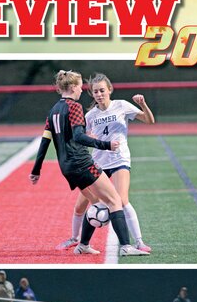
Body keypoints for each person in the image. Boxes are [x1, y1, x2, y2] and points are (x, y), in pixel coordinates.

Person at [30, 69, 145, 256]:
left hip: (66, 167)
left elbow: (45, 141)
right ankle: (126, 246)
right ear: (73, 87)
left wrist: (36, 169)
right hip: (81, 163)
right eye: (81, 86)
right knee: (115, 200)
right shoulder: (74, 107)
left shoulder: (53, 111)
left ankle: (82, 244)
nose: (83, 90)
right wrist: (105, 144)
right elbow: (78, 136)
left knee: (96, 203)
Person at [57, 73, 154, 253]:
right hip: (98, 163)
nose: (99, 94)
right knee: (81, 205)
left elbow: (149, 120)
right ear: (92, 94)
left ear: (109, 90)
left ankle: (138, 242)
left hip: (119, 159)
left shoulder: (121, 106)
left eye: (102, 90)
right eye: (95, 92)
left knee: (122, 200)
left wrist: (142, 104)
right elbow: (80, 136)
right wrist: (88, 137)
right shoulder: (91, 114)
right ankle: (76, 240)